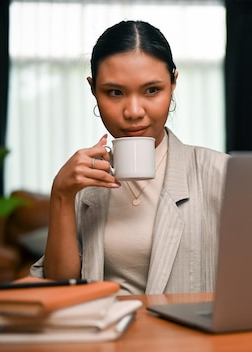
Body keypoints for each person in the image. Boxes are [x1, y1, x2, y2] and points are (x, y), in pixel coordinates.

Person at [30, 20, 229, 295]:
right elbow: (59, 289)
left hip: (187, 338)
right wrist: (61, 194)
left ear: (173, 84)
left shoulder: (221, 174)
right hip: (101, 335)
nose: (134, 111)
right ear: (93, 90)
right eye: (115, 92)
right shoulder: (82, 182)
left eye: (151, 90)